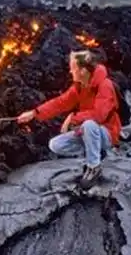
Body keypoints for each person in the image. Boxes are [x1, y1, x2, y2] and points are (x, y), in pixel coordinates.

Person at [17, 50, 122, 189]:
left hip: (107, 133)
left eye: (73, 68)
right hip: (88, 131)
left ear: (83, 70)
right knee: (55, 144)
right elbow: (60, 103)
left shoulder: (105, 86)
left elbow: (99, 115)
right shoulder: (80, 87)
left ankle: (94, 167)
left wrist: (73, 117)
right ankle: (95, 152)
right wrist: (34, 113)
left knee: (89, 125)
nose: (70, 71)